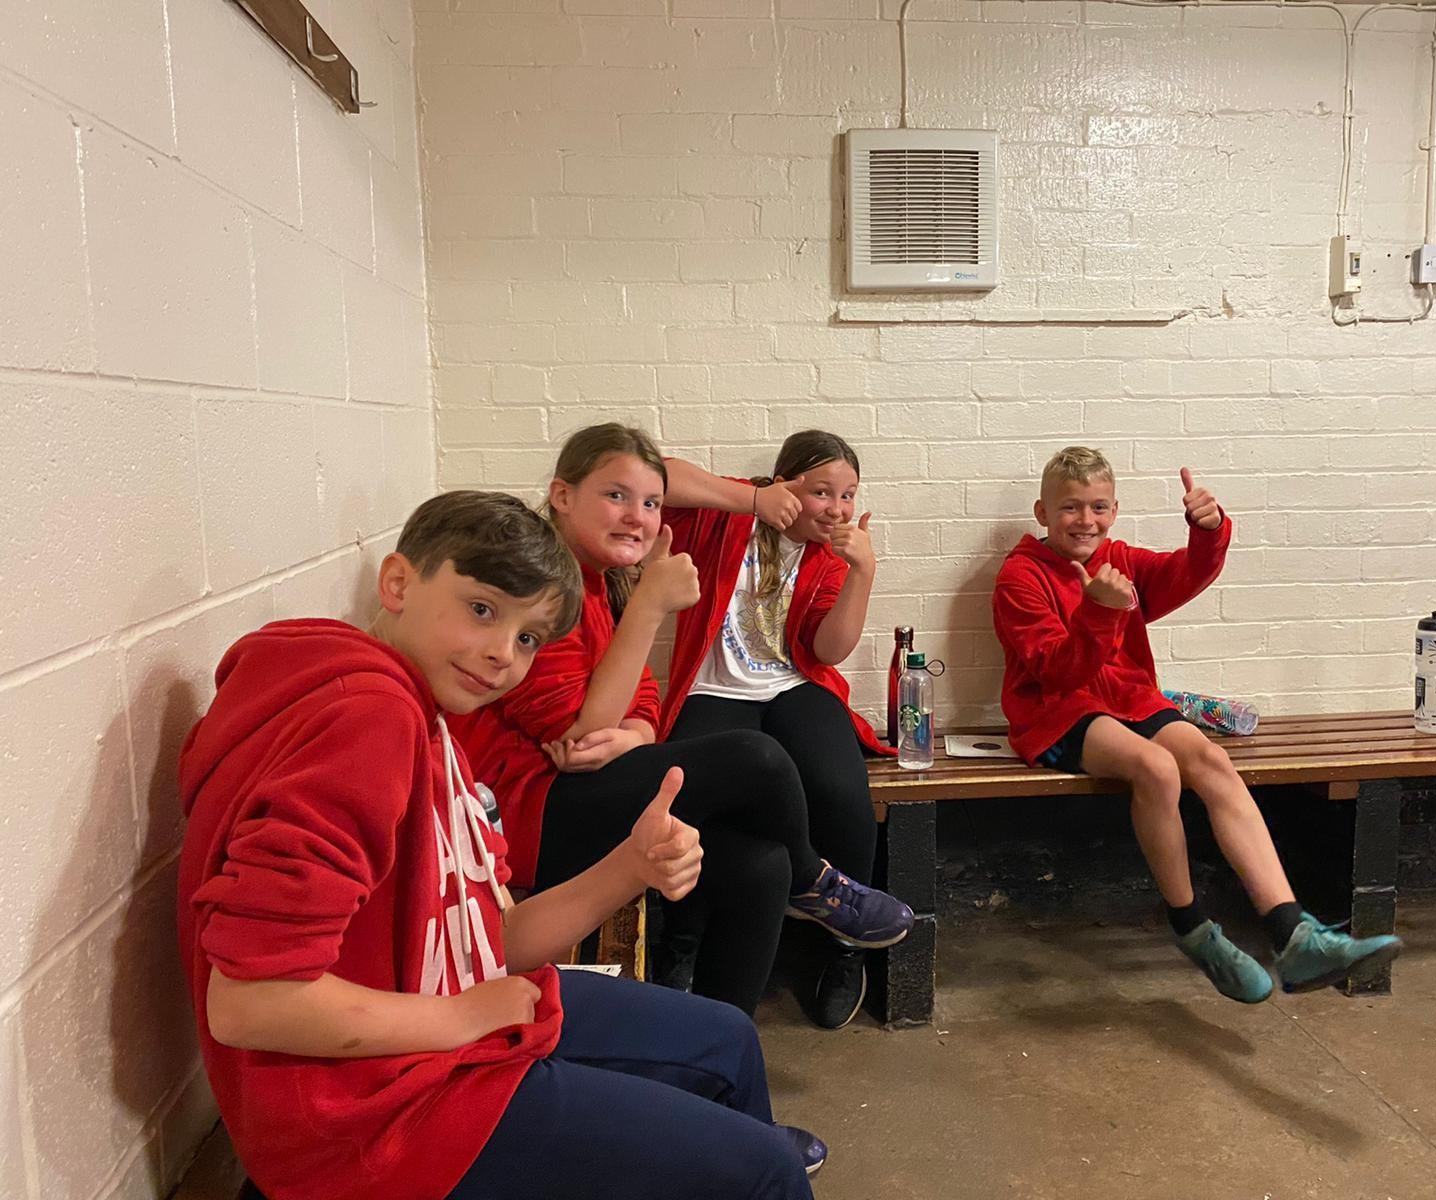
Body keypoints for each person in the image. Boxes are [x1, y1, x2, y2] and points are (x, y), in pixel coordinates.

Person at [177, 490, 821, 1200]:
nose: (500, 655)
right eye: (482, 609)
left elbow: (492, 942)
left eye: (528, 639)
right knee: (768, 1171)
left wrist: (631, 865)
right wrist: (457, 1017)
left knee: (727, 1042)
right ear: (398, 583)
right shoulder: (367, 721)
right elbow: (249, 1003)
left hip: (431, 1039)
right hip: (371, 1122)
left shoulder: (426, 715)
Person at [452, 425, 912, 1017]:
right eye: (616, 496)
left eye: (648, 504)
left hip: (583, 785)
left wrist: (637, 733)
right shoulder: (546, 585)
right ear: (562, 496)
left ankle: (721, 1034)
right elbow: (581, 733)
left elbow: (642, 690)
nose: (639, 516)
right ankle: (809, 883)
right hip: (530, 813)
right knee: (756, 760)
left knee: (763, 866)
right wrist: (653, 600)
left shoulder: (597, 579)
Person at [991, 447, 1402, 1001]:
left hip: (1130, 699)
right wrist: (1099, 611)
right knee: (1157, 768)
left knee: (1211, 758)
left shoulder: (1120, 560)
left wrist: (1207, 532)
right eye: (1070, 507)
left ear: (1114, 511)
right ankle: (1193, 928)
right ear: (1043, 513)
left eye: (1098, 507)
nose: (1085, 520)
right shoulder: (1019, 577)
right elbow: (1058, 674)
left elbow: (1185, 574)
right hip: (1055, 712)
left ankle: (1293, 934)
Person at [658, 431, 891, 1030]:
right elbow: (655, 476)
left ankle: (845, 950)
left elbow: (828, 650)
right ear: (785, 483)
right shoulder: (729, 515)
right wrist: (753, 501)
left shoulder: (827, 555)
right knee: (691, 798)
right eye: (822, 491)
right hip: (714, 688)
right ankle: (681, 946)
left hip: (795, 684)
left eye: (848, 495)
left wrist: (862, 571)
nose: (836, 508)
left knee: (841, 791)